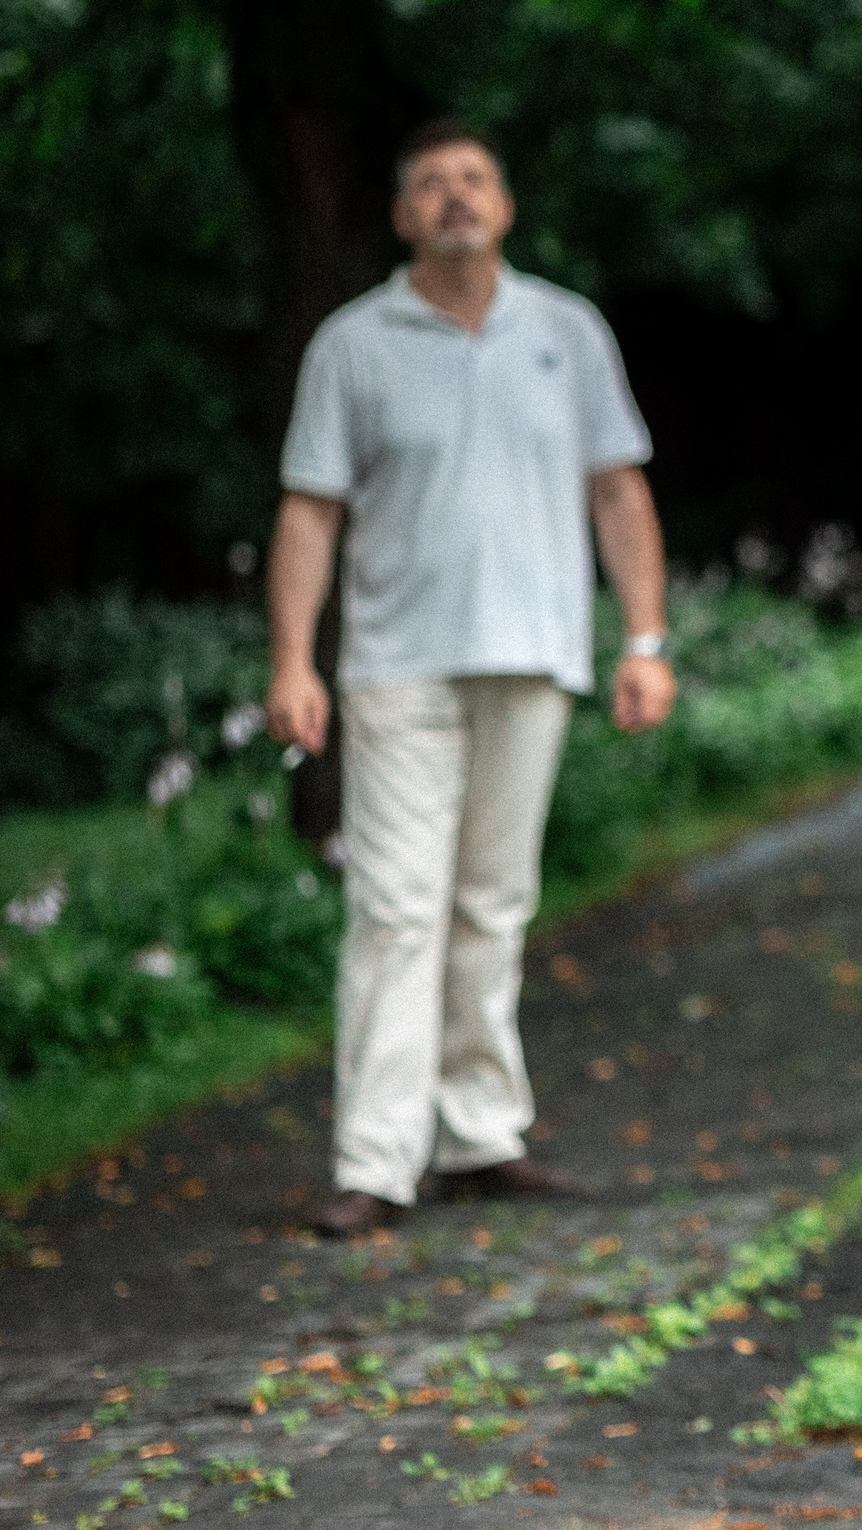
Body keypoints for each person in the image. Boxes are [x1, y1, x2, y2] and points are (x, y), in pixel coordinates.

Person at [265, 118, 678, 1238]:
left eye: (476, 178)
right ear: (401, 217)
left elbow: (618, 492)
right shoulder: (353, 343)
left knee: (493, 902)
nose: (456, 196)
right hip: (397, 666)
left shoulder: (566, 329)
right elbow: (309, 509)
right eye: (432, 183)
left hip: (535, 653)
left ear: (505, 204)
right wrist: (294, 659)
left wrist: (644, 640)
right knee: (397, 907)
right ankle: (377, 1161)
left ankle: (479, 1134)